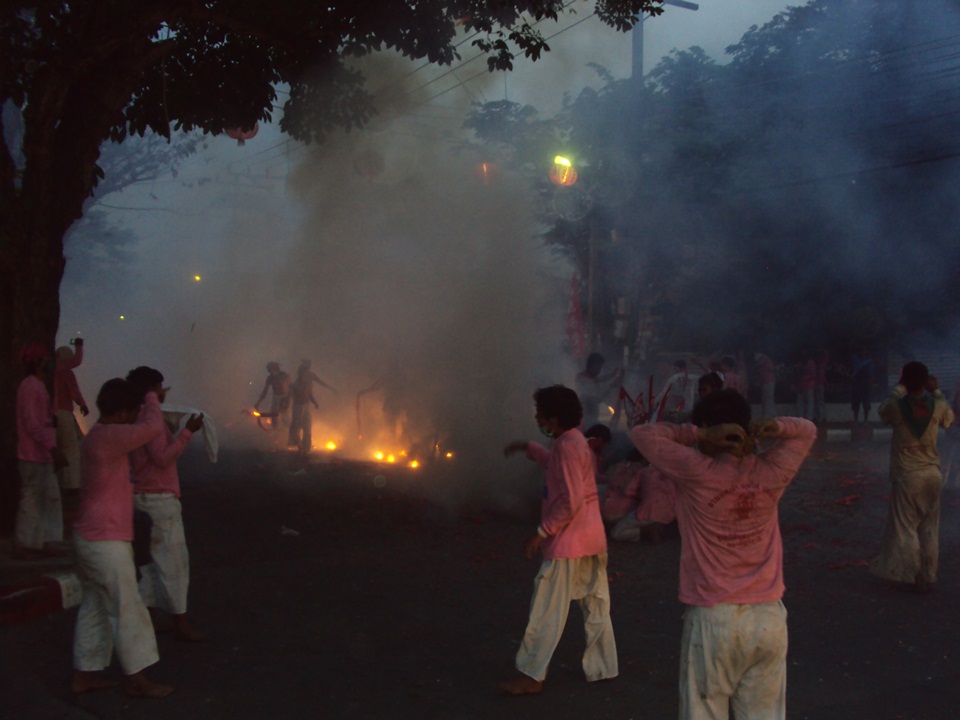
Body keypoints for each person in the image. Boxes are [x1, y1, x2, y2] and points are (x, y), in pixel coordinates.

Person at [630, 389, 817, 720]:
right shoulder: (771, 471)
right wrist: (776, 426)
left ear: (710, 429)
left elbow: (643, 434)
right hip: (769, 618)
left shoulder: (696, 471)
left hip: (715, 618)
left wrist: (697, 434)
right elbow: (807, 430)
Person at [500, 384, 618, 696]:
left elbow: (571, 501)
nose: (537, 420)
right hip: (591, 539)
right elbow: (557, 466)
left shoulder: (567, 446)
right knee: (596, 608)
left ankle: (532, 674)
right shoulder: (575, 440)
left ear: (553, 419)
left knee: (545, 610)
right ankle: (604, 668)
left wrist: (542, 532)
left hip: (568, 543)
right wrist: (529, 447)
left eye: (540, 415)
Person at [71, 378, 172, 698]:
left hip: (90, 537)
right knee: (127, 608)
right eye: (133, 412)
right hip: (105, 541)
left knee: (96, 607)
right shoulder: (109, 437)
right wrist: (152, 397)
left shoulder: (98, 436)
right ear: (124, 411)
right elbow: (152, 428)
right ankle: (137, 679)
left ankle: (85, 674)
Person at [126, 366, 206, 641]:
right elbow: (162, 458)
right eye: (159, 388)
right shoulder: (151, 418)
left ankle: (146, 620)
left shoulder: (133, 415)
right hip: (158, 500)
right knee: (173, 563)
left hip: (139, 497)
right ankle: (179, 622)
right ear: (153, 389)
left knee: (146, 564)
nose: (163, 392)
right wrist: (187, 432)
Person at [869, 361, 954, 593]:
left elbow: (882, 410)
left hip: (907, 475)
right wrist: (936, 391)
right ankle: (928, 574)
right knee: (929, 528)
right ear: (926, 382)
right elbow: (949, 418)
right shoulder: (937, 405)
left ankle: (911, 574)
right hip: (933, 474)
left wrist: (900, 388)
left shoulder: (897, 406)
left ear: (905, 381)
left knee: (906, 528)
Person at [14, 342, 68, 560]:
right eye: (45, 360)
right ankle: (27, 543)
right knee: (34, 500)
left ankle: (44, 541)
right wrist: (52, 448)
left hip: (40, 455)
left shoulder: (34, 386)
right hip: (34, 455)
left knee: (47, 499)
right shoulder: (31, 387)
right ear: (37, 362)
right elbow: (33, 424)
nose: (49, 363)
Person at [53, 338, 89, 494]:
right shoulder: (66, 372)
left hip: (49, 415)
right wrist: (83, 405)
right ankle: (72, 484)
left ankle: (54, 483)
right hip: (64, 414)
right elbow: (74, 393)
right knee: (71, 449)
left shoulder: (50, 371)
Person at [288, 359, 335, 455]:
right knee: (296, 426)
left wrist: (315, 402)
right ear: (300, 373)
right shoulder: (296, 384)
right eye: (303, 373)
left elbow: (309, 394)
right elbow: (290, 396)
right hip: (298, 407)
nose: (305, 375)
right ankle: (298, 445)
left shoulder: (307, 382)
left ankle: (306, 447)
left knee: (307, 426)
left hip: (306, 406)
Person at [575, 352, 622, 427]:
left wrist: (613, 374)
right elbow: (598, 399)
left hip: (589, 417)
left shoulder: (588, 377)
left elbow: (601, 378)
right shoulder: (585, 381)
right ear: (593, 365)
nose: (600, 370)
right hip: (588, 419)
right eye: (599, 367)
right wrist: (611, 386)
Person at [254, 361, 291, 430]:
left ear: (275, 368)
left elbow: (291, 388)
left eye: (270, 370)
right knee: (274, 417)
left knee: (285, 416)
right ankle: (275, 431)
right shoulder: (269, 378)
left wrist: (287, 400)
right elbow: (265, 391)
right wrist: (258, 402)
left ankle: (287, 432)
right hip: (275, 398)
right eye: (268, 370)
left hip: (284, 397)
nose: (269, 372)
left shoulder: (285, 375)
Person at [850, 347, 874, 424]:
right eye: (861, 351)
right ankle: (856, 420)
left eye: (864, 351)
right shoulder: (855, 360)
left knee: (866, 403)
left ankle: (865, 420)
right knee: (856, 402)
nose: (863, 353)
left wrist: (870, 385)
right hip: (857, 384)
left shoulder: (869, 362)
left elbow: (871, 375)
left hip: (865, 384)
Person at [754, 352, 777, 419]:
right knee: (766, 399)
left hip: (768, 382)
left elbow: (770, 369)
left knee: (768, 399)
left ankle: (769, 415)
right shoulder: (763, 362)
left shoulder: (764, 361)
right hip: (766, 382)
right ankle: (769, 414)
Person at [795, 351, 816, 420]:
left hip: (803, 385)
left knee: (802, 403)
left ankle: (802, 418)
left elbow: (798, 375)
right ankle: (808, 417)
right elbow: (813, 375)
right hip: (807, 385)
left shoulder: (801, 363)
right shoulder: (810, 363)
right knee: (808, 403)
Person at [814, 349, 830, 423]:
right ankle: (819, 416)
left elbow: (826, 358)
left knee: (820, 400)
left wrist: (825, 351)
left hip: (820, 384)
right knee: (817, 401)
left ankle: (822, 416)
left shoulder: (822, 364)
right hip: (816, 384)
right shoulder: (816, 365)